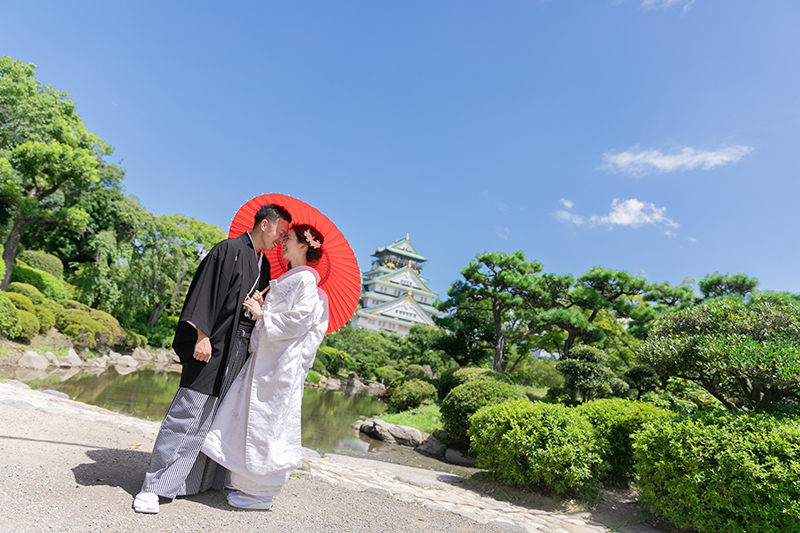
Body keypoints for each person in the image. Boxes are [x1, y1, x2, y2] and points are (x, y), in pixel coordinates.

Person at [133, 204, 292, 514]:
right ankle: (153, 487)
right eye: (280, 232)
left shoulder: (263, 266)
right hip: (214, 344)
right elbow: (203, 294)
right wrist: (201, 335)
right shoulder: (228, 250)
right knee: (189, 411)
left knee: (218, 416)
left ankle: (193, 482)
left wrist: (258, 304)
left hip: (239, 349)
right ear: (264, 225)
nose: (281, 239)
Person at [201, 223, 329, 510]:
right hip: (268, 360)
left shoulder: (306, 280)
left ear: (303, 246)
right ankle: (246, 483)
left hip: (280, 365)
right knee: (251, 419)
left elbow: (300, 321)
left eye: (289, 238)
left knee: (269, 425)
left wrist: (263, 315)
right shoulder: (293, 277)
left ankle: (260, 493)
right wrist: (263, 305)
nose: (283, 242)